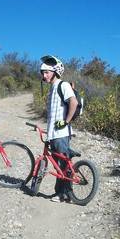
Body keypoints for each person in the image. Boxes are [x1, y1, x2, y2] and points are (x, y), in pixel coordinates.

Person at [40, 55, 78, 202]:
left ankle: (63, 194)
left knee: (63, 165)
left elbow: (73, 103)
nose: (44, 75)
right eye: (43, 72)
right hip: (53, 134)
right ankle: (62, 193)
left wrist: (65, 121)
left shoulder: (63, 85)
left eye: (47, 72)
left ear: (55, 72)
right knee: (59, 166)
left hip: (61, 133)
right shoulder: (52, 89)